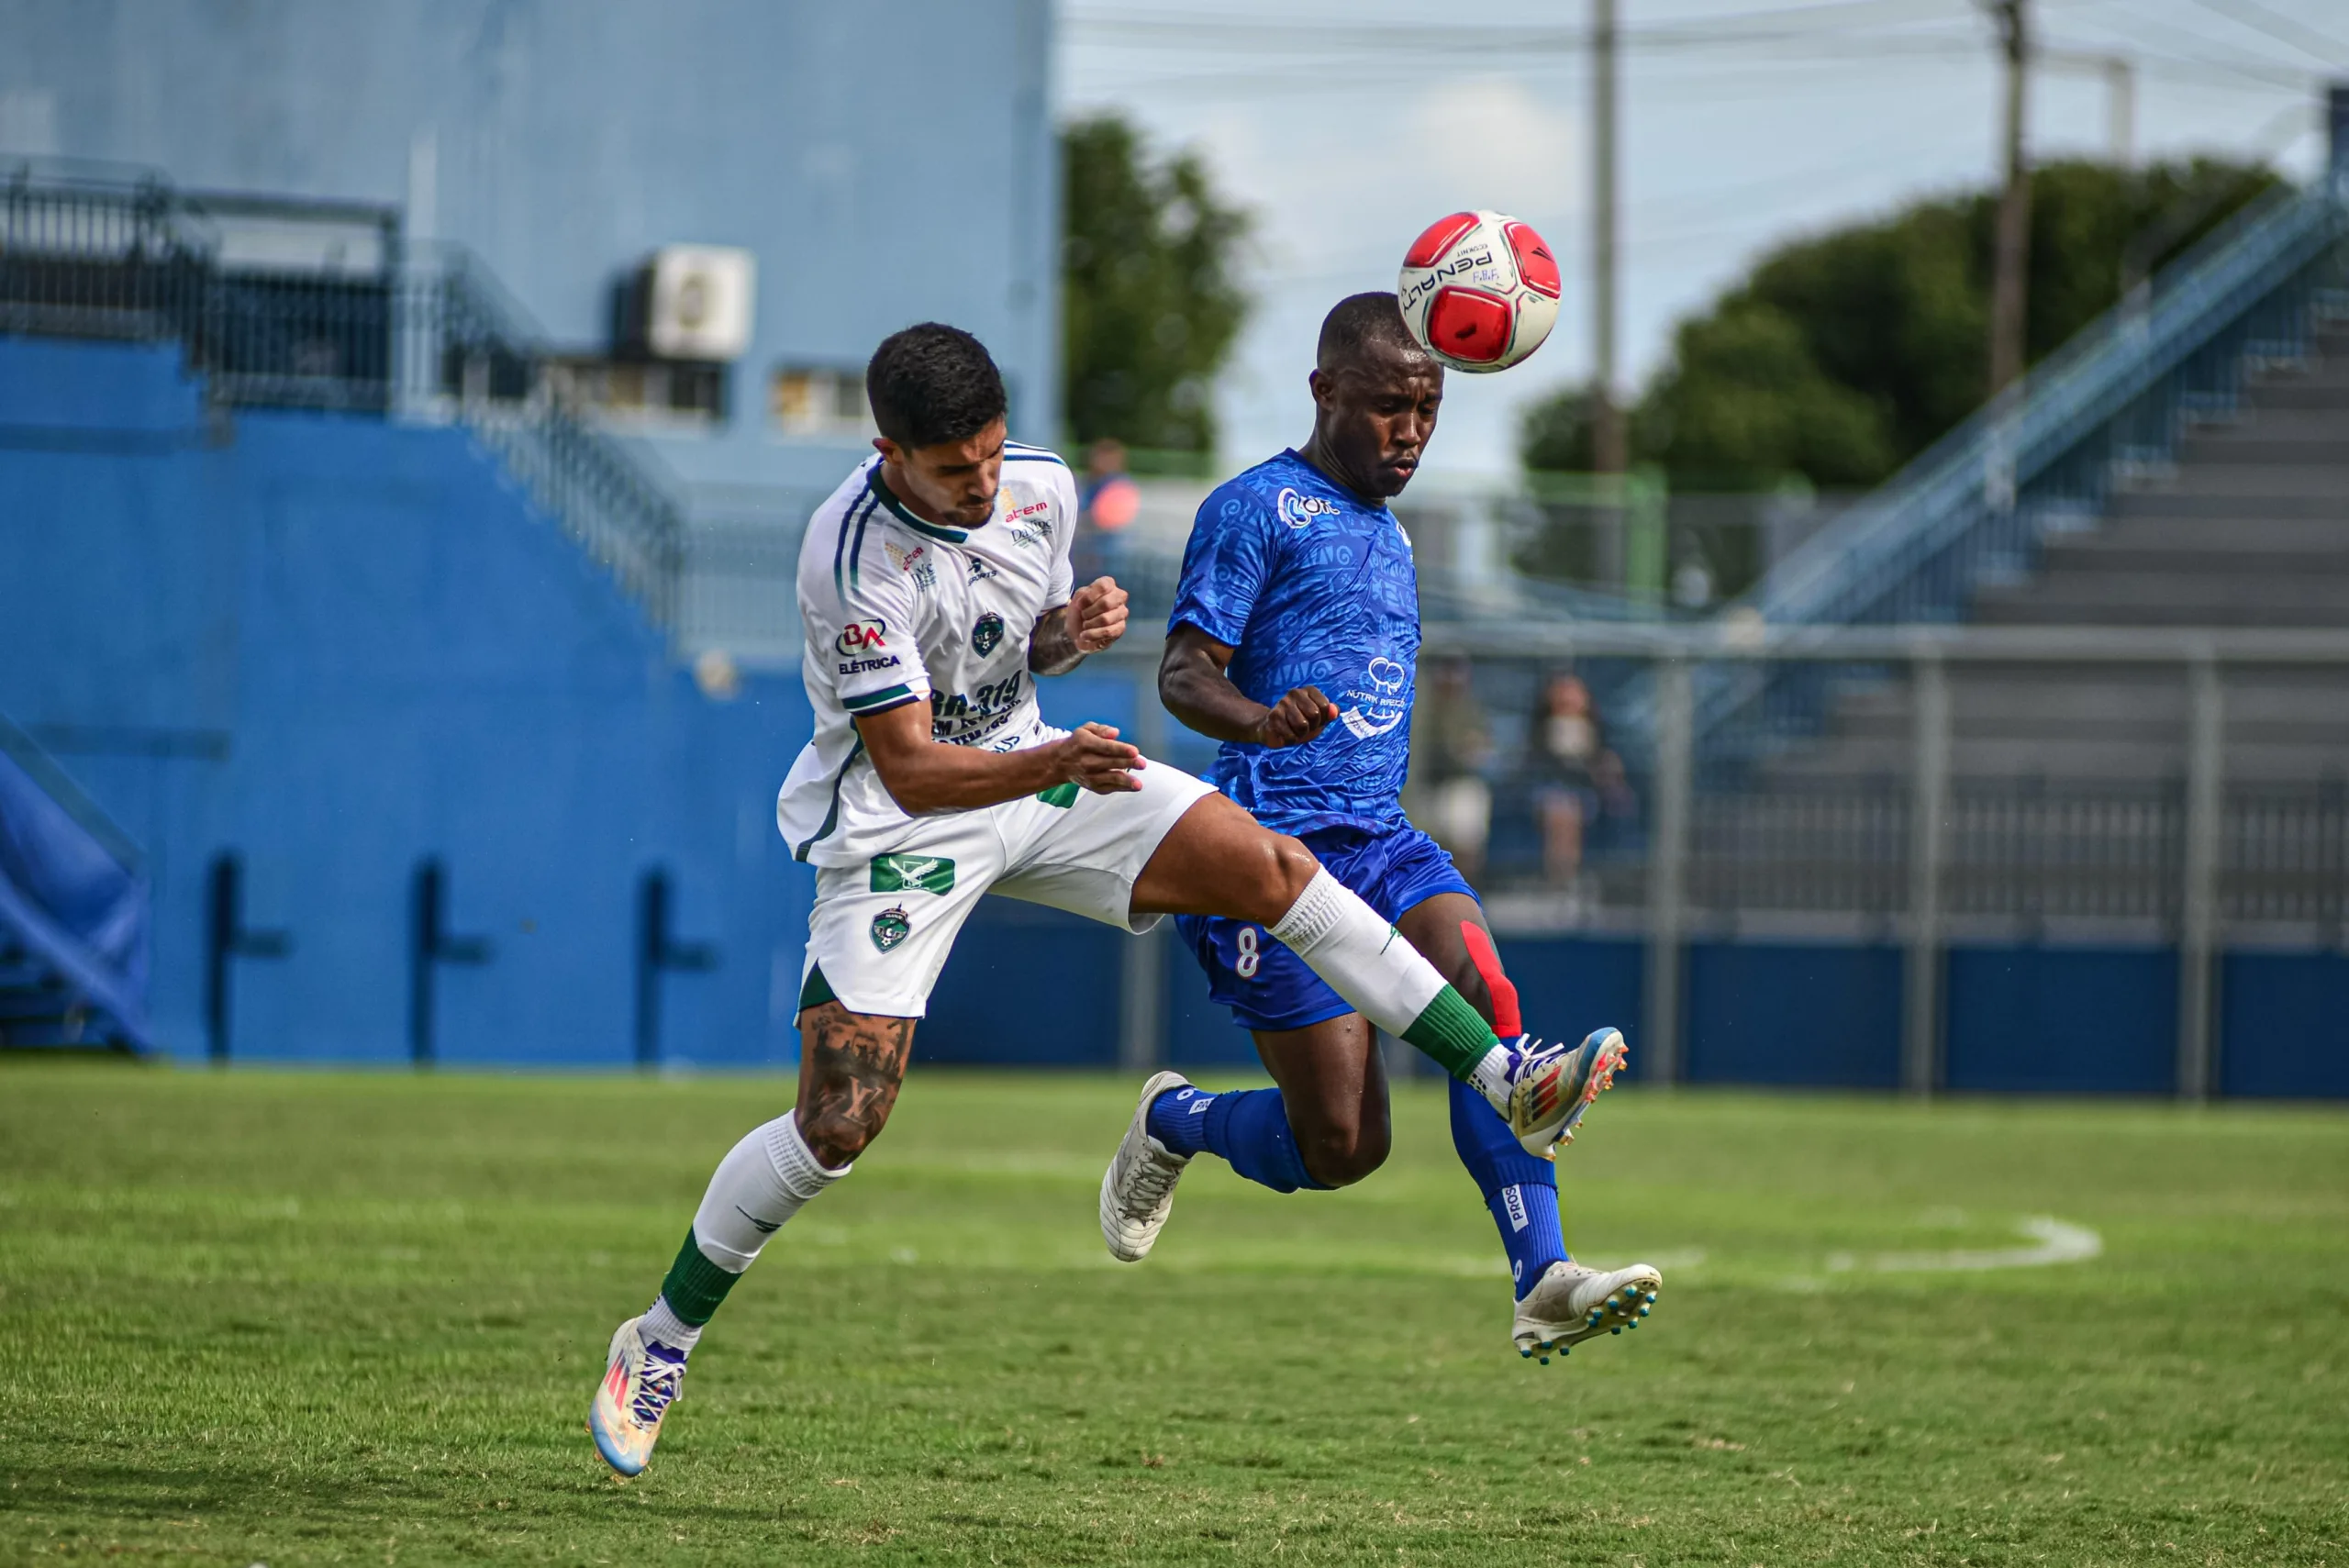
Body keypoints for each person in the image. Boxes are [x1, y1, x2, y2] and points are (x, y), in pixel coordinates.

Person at [588, 323, 1607, 1478]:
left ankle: (1499, 1072)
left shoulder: (1040, 487)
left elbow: (1006, 649)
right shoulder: (847, 557)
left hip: (1038, 764)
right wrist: (1051, 757)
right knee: (838, 1123)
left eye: (988, 454)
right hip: (903, 828)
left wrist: (1060, 639)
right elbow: (916, 765)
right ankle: (660, 1337)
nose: (981, 485)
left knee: (1271, 869)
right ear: (889, 452)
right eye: (952, 471)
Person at [1101, 293, 1661, 1366]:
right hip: (1271, 856)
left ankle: (1541, 1277)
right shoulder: (1256, 506)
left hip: (1385, 838)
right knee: (1343, 1145)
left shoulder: (1392, 528)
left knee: (1490, 1010)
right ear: (1323, 392)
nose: (1409, 430)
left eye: (1428, 408)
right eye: (1386, 406)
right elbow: (1181, 672)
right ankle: (1177, 1121)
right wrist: (1259, 716)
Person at [1523, 672, 1630, 890]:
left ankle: (1569, 875)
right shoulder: (1541, 729)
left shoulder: (1596, 728)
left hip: (1584, 791)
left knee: (1571, 813)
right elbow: (1538, 764)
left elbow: (1601, 761)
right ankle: (1558, 876)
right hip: (1550, 789)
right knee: (1560, 813)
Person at [1409, 655, 1495, 884]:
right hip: (1429, 784)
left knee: (1466, 844)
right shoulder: (1425, 706)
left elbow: (1482, 747)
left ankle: (1467, 890)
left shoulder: (1470, 709)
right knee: (1432, 845)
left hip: (1461, 783)